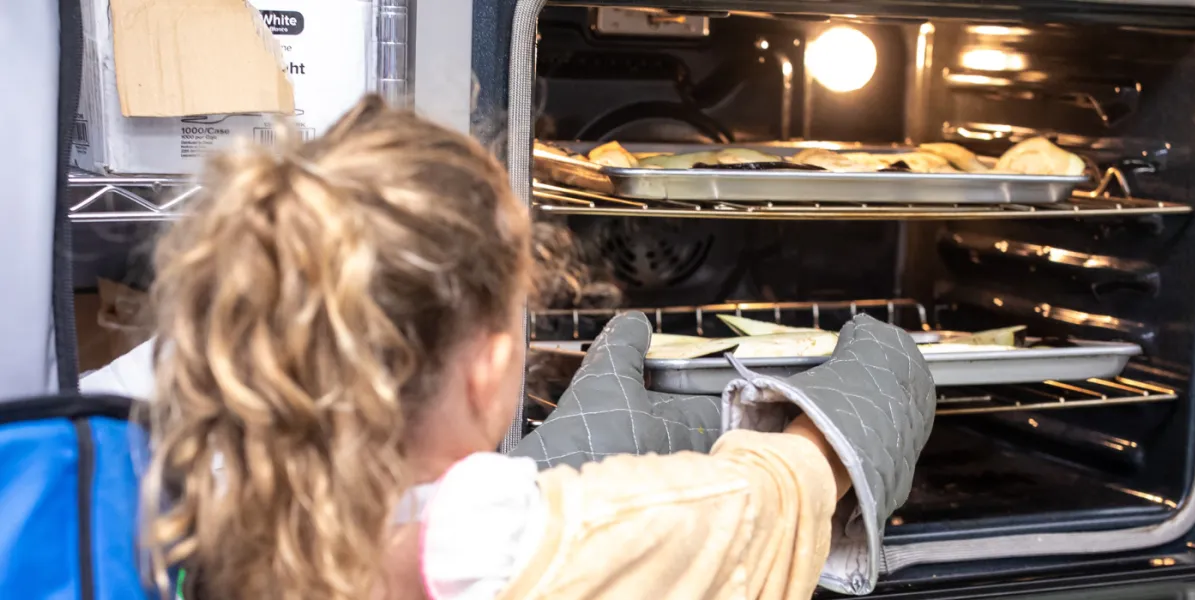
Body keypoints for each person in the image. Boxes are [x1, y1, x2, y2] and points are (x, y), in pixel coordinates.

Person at [138, 95, 936, 600]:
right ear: (487, 374)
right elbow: (756, 513)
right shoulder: (503, 547)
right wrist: (838, 419)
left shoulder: (181, 488)